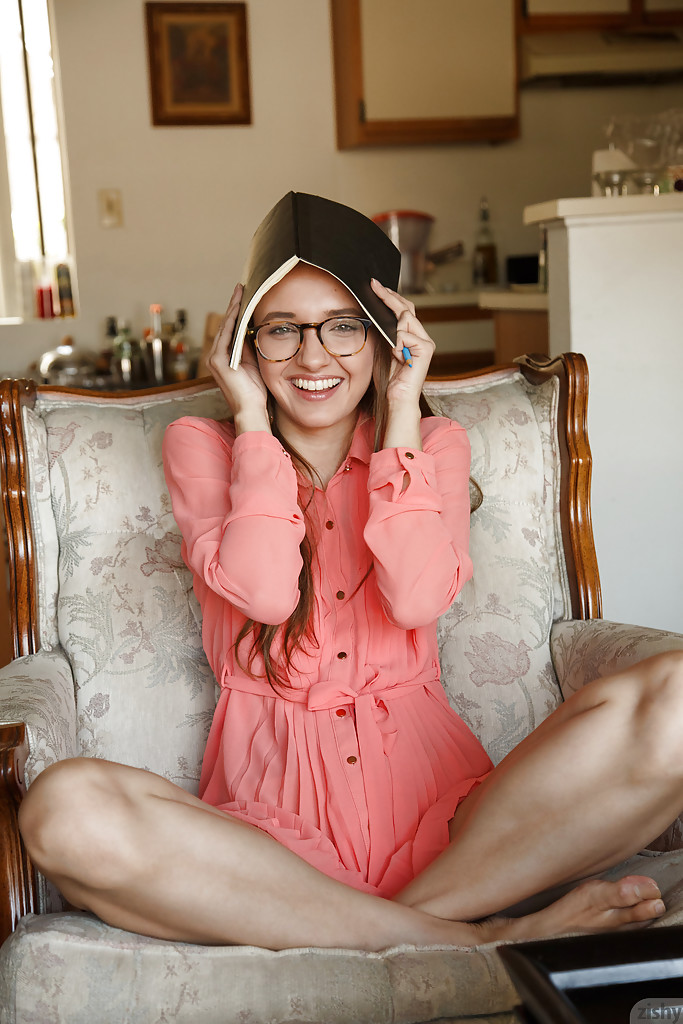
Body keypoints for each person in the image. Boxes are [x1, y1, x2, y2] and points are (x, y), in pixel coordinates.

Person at [18, 200, 683, 955]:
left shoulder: (433, 442)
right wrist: (253, 427)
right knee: (60, 808)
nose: (312, 357)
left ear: (382, 335)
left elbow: (417, 596)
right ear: (245, 344)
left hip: (463, 834)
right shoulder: (202, 443)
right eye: (282, 329)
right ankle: (485, 941)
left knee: (679, 699)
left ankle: (398, 926)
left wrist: (401, 412)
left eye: (343, 325)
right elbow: (266, 593)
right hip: (268, 854)